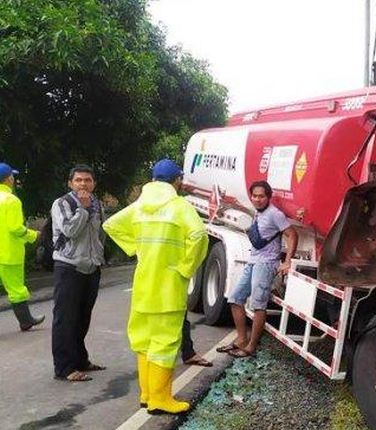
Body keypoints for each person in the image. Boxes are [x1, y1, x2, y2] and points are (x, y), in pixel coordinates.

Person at [103, 159, 208, 415]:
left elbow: (110, 225)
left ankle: (147, 394)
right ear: (177, 180)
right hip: (168, 287)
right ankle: (160, 399)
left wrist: (136, 248)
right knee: (165, 341)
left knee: (144, 340)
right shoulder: (179, 206)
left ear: (152, 179)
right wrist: (185, 268)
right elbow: (199, 236)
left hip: (143, 284)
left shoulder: (139, 207)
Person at [216, 180, 298, 359]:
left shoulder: (275, 214)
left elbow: (292, 234)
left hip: (266, 264)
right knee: (235, 298)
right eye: (254, 196)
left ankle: (251, 346)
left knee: (258, 304)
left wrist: (287, 261)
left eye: (261, 196)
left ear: (268, 197)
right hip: (254, 261)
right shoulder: (258, 213)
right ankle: (241, 339)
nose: (257, 199)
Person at [50, 164, 106, 382]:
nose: (83, 184)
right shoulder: (62, 203)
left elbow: (101, 233)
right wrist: (82, 209)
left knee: (83, 317)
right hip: (69, 266)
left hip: (91, 267)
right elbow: (69, 230)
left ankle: (80, 360)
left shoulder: (97, 203)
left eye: (88, 180)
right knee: (65, 319)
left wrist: (99, 257)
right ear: (70, 183)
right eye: (79, 180)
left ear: (94, 183)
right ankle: (64, 368)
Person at [0, 162, 45, 331]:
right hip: (9, 253)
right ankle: (26, 320)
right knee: (16, 289)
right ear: (9, 179)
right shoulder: (11, 200)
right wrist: (34, 235)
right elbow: (15, 228)